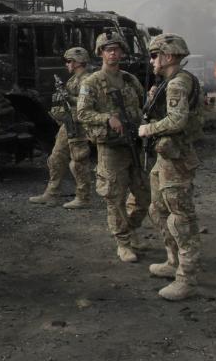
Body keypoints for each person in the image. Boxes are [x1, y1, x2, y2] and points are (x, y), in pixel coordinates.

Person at [138, 34, 204, 301]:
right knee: (157, 208)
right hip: (165, 157)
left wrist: (148, 129)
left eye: (155, 55)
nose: (152, 60)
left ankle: (186, 279)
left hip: (176, 160)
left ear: (168, 56)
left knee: (181, 219)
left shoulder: (177, 83)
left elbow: (176, 121)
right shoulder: (170, 83)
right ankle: (172, 260)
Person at [76, 30, 148, 263]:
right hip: (111, 148)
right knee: (114, 197)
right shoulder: (92, 82)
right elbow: (83, 112)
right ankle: (123, 242)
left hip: (134, 144)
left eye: (117, 49)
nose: (114, 53)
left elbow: (143, 106)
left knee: (144, 195)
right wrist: (107, 117)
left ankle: (132, 227)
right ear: (101, 53)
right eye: (109, 50)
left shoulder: (130, 79)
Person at [29, 47, 94, 209]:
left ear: (77, 62)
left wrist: (69, 98)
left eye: (69, 61)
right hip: (68, 123)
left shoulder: (88, 80)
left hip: (78, 125)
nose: (67, 65)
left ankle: (83, 197)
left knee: (78, 161)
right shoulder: (73, 80)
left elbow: (89, 103)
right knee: (56, 158)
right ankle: (52, 194)